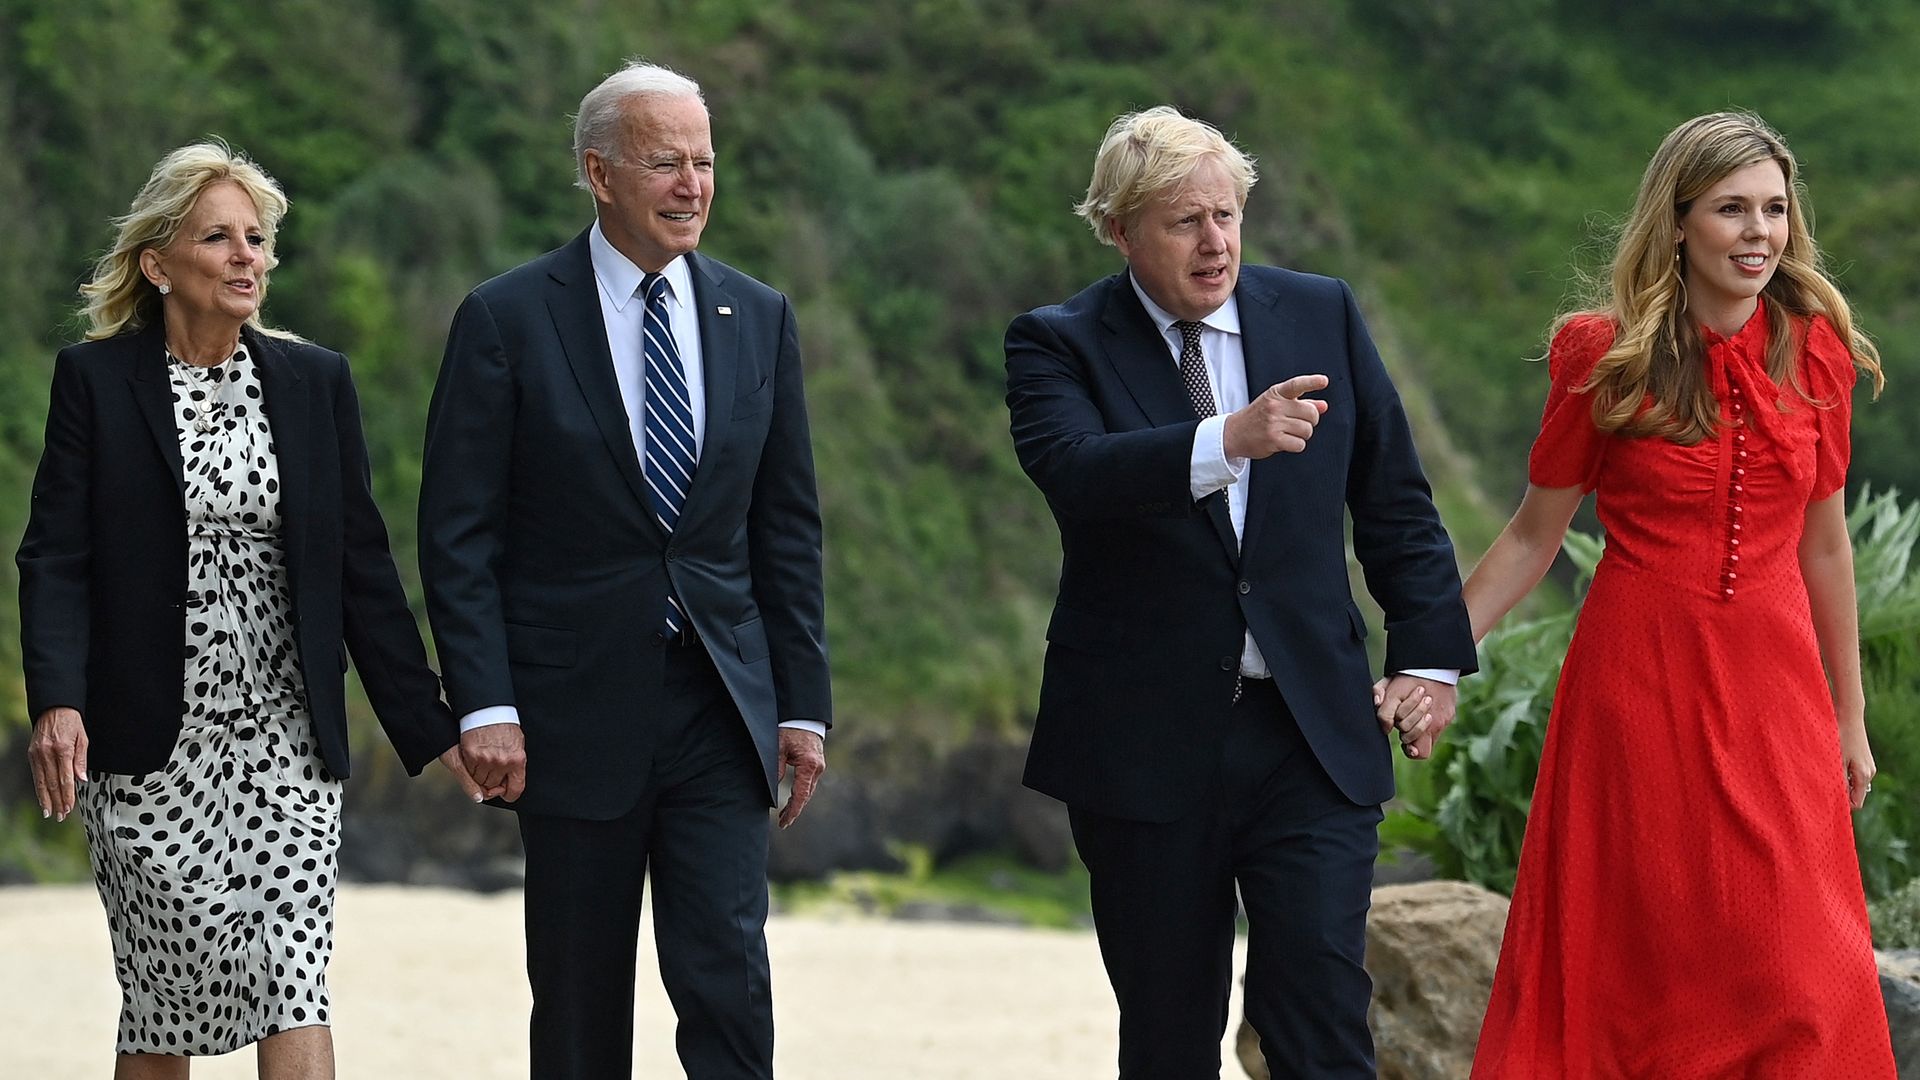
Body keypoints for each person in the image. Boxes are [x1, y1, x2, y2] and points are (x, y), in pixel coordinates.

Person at [1004, 105, 1477, 1079]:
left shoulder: (1319, 312)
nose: (1215, 241)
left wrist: (1428, 660)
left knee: (1320, 1016)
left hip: (1308, 732)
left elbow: (1394, 499)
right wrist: (1228, 439)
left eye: (1226, 215)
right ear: (1120, 229)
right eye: (1185, 222)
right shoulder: (1056, 342)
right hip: (1142, 742)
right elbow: (1076, 472)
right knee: (1169, 1038)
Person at [1443, 111, 1896, 1075]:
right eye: (1732, 209)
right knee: (1640, 969)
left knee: (1802, 972)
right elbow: (1531, 536)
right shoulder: (1600, 353)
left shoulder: (1815, 349)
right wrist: (1431, 659)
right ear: (1678, 220)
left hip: (1777, 693)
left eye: (1774, 209)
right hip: (1635, 692)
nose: (1759, 232)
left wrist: (1849, 717)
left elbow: (1825, 547)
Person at [17, 142, 474, 1079]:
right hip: (150, 748)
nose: (246, 257)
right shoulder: (96, 382)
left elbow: (360, 570)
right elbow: (56, 557)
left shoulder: (315, 383)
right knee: (164, 1003)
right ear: (158, 263)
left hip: (287, 745)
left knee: (292, 979)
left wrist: (432, 726)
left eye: (256, 239)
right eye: (218, 238)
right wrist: (57, 700)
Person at [417, 60, 830, 1080]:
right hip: (569, 713)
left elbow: (785, 529)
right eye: (665, 163)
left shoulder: (759, 316)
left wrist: (803, 706)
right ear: (599, 174)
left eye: (705, 162)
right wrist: (483, 705)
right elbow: (459, 535)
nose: (692, 184)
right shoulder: (508, 318)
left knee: (730, 982)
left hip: (720, 705)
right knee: (578, 1000)